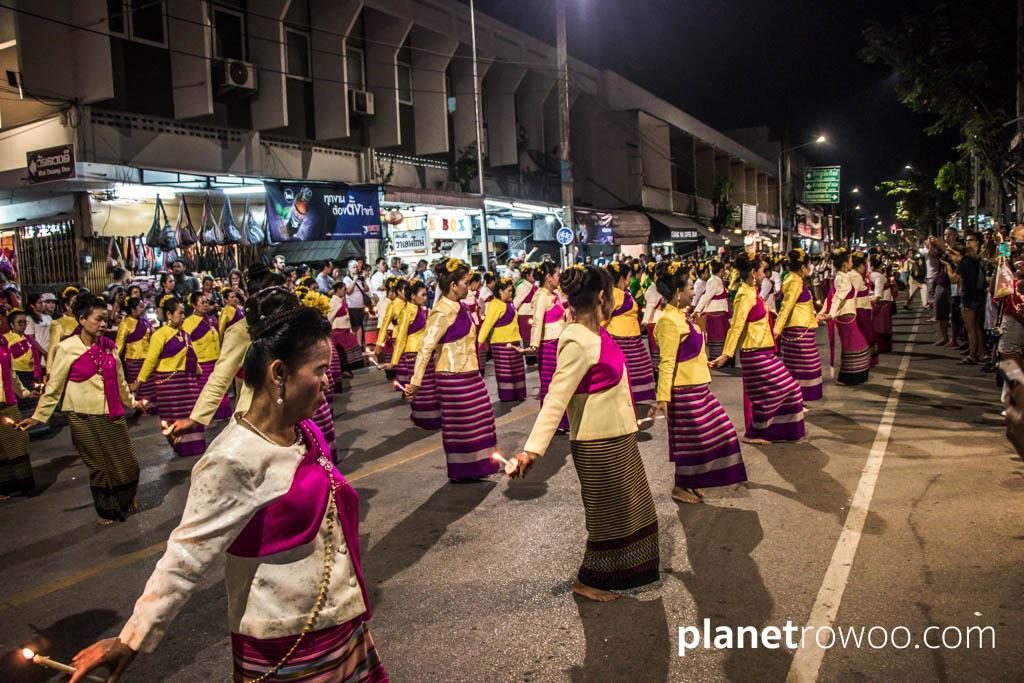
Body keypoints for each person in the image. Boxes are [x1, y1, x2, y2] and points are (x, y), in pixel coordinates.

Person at [69, 287, 388, 683]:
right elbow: (184, 558)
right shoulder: (232, 459)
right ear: (279, 373)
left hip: (342, 622)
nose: (328, 381)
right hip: (287, 641)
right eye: (320, 370)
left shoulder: (304, 431)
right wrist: (130, 639)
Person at [510, 264, 659, 602]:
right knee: (606, 517)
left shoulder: (598, 334)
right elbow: (555, 398)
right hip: (597, 443)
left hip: (618, 437)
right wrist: (531, 451)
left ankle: (617, 574)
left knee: (634, 511)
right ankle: (589, 580)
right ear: (603, 297)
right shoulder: (577, 340)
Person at [20, 294, 143, 523]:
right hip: (82, 416)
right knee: (99, 466)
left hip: (112, 413)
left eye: (106, 319)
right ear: (82, 319)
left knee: (128, 465)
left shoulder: (109, 348)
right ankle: (107, 510)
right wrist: (38, 417)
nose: (104, 324)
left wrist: (133, 403)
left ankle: (124, 498)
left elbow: (120, 382)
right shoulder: (67, 348)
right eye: (98, 319)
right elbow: (54, 387)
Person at [651, 261, 745, 504]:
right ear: (678, 292)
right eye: (691, 288)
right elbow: (667, 362)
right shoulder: (667, 322)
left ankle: (690, 483)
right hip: (684, 391)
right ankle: (681, 486)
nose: (695, 292)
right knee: (692, 443)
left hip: (698, 388)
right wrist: (663, 398)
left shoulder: (681, 316)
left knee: (711, 436)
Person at [406, 259, 499, 481]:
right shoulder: (441, 312)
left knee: (480, 421)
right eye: (466, 282)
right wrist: (416, 381)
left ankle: (477, 467)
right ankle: (462, 471)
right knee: (462, 426)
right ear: (453, 285)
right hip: (452, 376)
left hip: (470, 373)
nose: (469, 286)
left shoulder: (462, 306)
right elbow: (426, 347)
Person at [711, 253, 805, 444]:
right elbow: (736, 327)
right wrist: (726, 354)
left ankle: (769, 432)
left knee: (774, 394)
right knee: (787, 389)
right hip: (754, 352)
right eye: (763, 270)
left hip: (764, 350)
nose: (765, 273)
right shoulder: (744, 295)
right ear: (753, 272)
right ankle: (755, 434)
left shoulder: (753, 292)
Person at [134, 297, 206, 457]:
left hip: (188, 383)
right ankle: (180, 447)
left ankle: (196, 448)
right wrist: (139, 382)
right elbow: (150, 360)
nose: (182, 317)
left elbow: (192, 358)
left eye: (183, 314)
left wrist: (201, 376)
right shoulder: (160, 335)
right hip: (170, 386)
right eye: (180, 313)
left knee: (193, 414)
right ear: (169, 314)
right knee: (175, 418)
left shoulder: (185, 334)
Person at [773, 249, 823, 402]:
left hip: (803, 326)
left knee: (805, 364)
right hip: (797, 329)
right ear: (803, 267)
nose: (810, 268)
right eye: (808, 265)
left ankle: (799, 396)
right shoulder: (794, 281)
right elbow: (786, 307)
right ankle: (798, 396)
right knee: (804, 365)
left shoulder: (795, 279)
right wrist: (776, 330)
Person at [389, 280, 440, 429]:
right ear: (412, 296)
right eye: (422, 295)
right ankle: (423, 419)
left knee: (430, 387)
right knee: (421, 387)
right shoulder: (406, 312)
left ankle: (434, 418)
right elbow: (401, 338)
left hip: (425, 352)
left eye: (426, 294)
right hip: (412, 353)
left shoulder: (422, 310)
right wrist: (394, 361)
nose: (425, 297)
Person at [604, 261, 656, 404]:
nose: (630, 280)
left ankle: (629, 399)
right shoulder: (613, 295)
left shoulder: (623, 293)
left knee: (637, 371)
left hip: (631, 341)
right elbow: (604, 319)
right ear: (622, 278)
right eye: (628, 277)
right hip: (620, 341)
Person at [528, 262, 570, 431]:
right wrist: (533, 346)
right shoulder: (541, 297)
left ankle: (564, 421)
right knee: (550, 386)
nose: (559, 277)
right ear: (548, 277)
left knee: (562, 384)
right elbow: (537, 323)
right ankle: (552, 424)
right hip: (548, 347)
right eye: (557, 274)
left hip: (560, 344)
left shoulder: (556, 294)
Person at [822, 249, 871, 385]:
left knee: (853, 346)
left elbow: (831, 297)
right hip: (845, 316)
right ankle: (848, 377)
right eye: (850, 260)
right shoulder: (841, 278)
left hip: (847, 315)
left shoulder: (843, 276)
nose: (852, 262)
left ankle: (849, 376)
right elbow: (837, 298)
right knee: (856, 346)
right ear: (844, 263)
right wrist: (830, 314)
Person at [183, 292, 232, 422]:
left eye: (206, 302)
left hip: (216, 360)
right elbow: (187, 346)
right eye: (202, 302)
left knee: (220, 389)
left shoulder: (212, 319)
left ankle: (223, 414)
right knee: (206, 391)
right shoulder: (188, 323)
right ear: (194, 305)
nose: (205, 305)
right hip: (202, 363)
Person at [0, 328, 36, 499]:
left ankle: (20, 483)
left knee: (18, 438)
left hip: (7, 401)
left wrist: (25, 392)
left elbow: (10, 373)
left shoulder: (2, 343)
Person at [478, 277, 526, 401]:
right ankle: (507, 396)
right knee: (506, 372)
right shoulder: (495, 305)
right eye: (509, 291)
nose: (511, 293)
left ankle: (519, 394)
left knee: (517, 370)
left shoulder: (509, 304)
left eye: (512, 291)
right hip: (501, 344)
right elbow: (487, 324)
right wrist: (479, 342)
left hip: (514, 342)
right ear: (500, 291)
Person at [116, 297, 158, 414]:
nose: (143, 308)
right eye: (140, 306)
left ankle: (150, 407)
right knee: (139, 387)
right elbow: (119, 344)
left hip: (148, 359)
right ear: (133, 310)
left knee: (150, 385)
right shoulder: (125, 324)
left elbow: (155, 336)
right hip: (134, 361)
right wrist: (112, 359)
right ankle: (140, 408)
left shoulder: (145, 321)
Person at [957, 232, 987, 365]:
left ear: (978, 242)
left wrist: (947, 266)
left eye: (971, 240)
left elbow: (954, 278)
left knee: (971, 329)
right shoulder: (978, 259)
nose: (968, 243)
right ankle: (981, 353)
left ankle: (972, 355)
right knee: (977, 327)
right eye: (967, 240)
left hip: (969, 296)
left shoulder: (966, 260)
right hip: (978, 295)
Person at [693, 259, 730, 361]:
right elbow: (706, 297)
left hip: (718, 311)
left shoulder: (715, 280)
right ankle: (717, 357)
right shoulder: (713, 281)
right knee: (717, 336)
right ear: (721, 270)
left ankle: (719, 357)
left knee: (719, 336)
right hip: (715, 312)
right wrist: (697, 310)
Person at [329, 280, 364, 372]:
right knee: (342, 351)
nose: (346, 292)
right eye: (344, 290)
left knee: (353, 344)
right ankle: (344, 368)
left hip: (346, 330)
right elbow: (329, 316)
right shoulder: (333, 301)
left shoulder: (342, 300)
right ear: (338, 290)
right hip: (338, 331)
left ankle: (353, 366)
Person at [852, 253, 878, 368]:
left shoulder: (857, 276)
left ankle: (867, 360)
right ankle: (866, 360)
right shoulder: (856, 277)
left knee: (867, 334)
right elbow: (854, 294)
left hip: (863, 307)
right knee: (867, 335)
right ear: (860, 266)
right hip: (861, 309)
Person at [48, 286, 81, 369]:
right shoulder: (58, 323)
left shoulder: (84, 320)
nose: (77, 305)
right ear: (67, 305)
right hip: (66, 364)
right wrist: (49, 370)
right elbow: (53, 349)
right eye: (74, 302)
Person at [870, 254, 896, 353]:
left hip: (881, 301)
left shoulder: (872, 274)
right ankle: (883, 347)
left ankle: (880, 346)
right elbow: (878, 291)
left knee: (879, 325)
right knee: (883, 326)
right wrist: (875, 300)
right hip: (883, 302)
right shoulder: (878, 276)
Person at [344, 260, 371, 346]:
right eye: (353, 267)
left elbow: (366, 289)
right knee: (355, 326)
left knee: (360, 325)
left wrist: (363, 281)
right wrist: (354, 281)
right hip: (352, 306)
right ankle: (354, 345)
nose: (355, 269)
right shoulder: (346, 279)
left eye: (356, 267)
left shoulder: (360, 278)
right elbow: (348, 291)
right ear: (349, 269)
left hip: (361, 306)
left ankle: (359, 345)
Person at [25, 292, 54, 368]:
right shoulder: (29, 319)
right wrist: (44, 352)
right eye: (39, 303)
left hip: (50, 350)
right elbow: (30, 339)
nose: (43, 304)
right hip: (39, 353)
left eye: (43, 302)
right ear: (32, 305)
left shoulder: (48, 318)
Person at [513, 266, 539, 345]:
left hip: (533, 315)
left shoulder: (534, 287)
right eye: (532, 274)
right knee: (527, 338)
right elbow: (516, 303)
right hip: (525, 316)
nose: (535, 276)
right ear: (527, 276)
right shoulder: (522, 287)